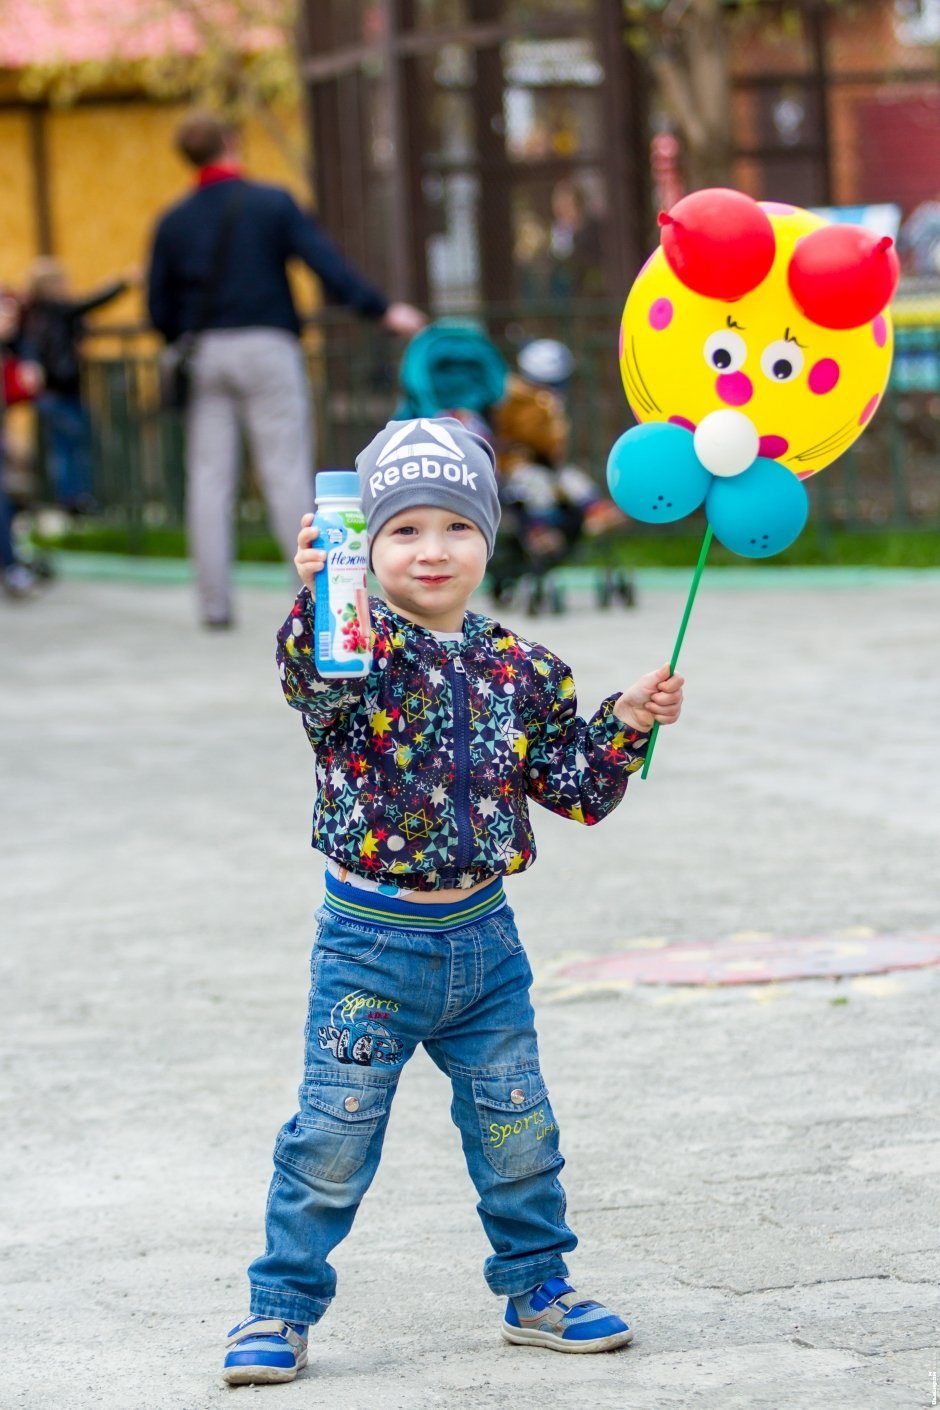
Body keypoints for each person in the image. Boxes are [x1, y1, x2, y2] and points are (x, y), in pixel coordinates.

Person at [222, 415, 684, 1385]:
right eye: (403, 530)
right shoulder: (356, 648)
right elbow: (310, 684)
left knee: (518, 1129)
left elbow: (576, 789)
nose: (432, 550)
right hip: (370, 950)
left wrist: (624, 722)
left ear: (488, 536)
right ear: (367, 544)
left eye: (456, 527)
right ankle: (278, 1307)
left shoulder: (522, 668)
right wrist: (319, 594)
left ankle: (537, 1289)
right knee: (332, 1138)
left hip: (484, 946)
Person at [147, 111, 426, 629]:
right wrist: (380, 309)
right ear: (232, 143)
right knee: (284, 472)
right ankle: (319, 597)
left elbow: (157, 308)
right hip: (268, 349)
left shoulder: (173, 220)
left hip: (204, 355)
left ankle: (214, 606)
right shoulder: (270, 203)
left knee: (208, 480)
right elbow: (325, 264)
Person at [23, 258, 135, 515]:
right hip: (62, 388)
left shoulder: (33, 314)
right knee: (76, 447)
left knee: (62, 450)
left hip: (49, 392)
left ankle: (70, 499)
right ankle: (78, 499)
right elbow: (90, 303)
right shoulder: (56, 310)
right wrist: (122, 283)